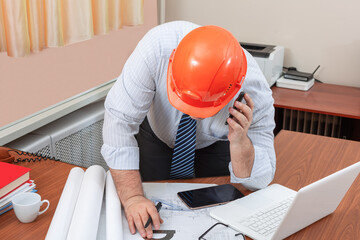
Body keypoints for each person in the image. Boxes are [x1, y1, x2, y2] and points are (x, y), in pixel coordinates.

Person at [101, 21, 276, 239]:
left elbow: (258, 181)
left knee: (216, 212)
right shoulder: (155, 49)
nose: (193, 114)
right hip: (157, 135)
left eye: (204, 109)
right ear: (172, 63)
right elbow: (119, 121)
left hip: (217, 143)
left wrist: (241, 142)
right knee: (148, 200)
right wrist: (133, 198)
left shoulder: (255, 91)